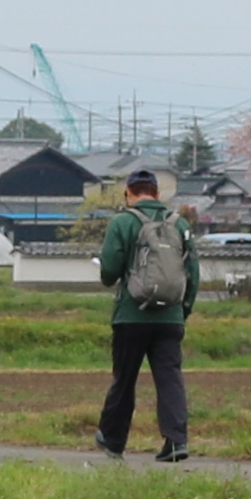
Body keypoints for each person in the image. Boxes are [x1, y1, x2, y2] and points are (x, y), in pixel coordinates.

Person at [89, 162, 200, 462]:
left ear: (128, 193)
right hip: (170, 318)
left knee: (124, 379)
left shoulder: (122, 223)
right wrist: (182, 310)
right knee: (170, 378)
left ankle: (113, 440)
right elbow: (193, 273)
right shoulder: (180, 225)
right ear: (157, 193)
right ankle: (176, 442)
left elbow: (109, 272)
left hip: (131, 315)